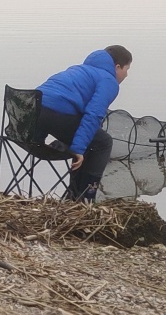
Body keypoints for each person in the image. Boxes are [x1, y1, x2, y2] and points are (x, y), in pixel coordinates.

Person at [35, 45, 132, 204]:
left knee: (90, 138)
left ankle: (73, 196)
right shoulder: (109, 80)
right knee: (103, 142)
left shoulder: (80, 69)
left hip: (35, 114)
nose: (126, 75)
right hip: (57, 113)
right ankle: (87, 197)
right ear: (117, 67)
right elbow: (93, 114)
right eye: (127, 69)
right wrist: (78, 149)